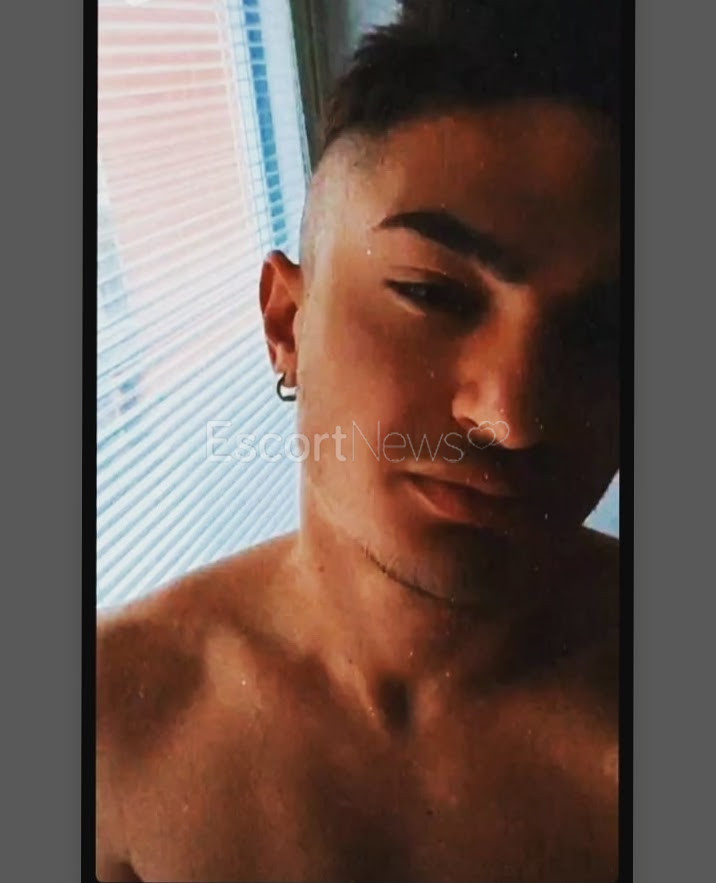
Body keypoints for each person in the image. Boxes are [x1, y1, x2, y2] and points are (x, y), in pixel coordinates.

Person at [96, 1, 622, 880]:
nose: (513, 417)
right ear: (286, 323)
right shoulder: (112, 724)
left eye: (600, 336)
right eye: (433, 294)